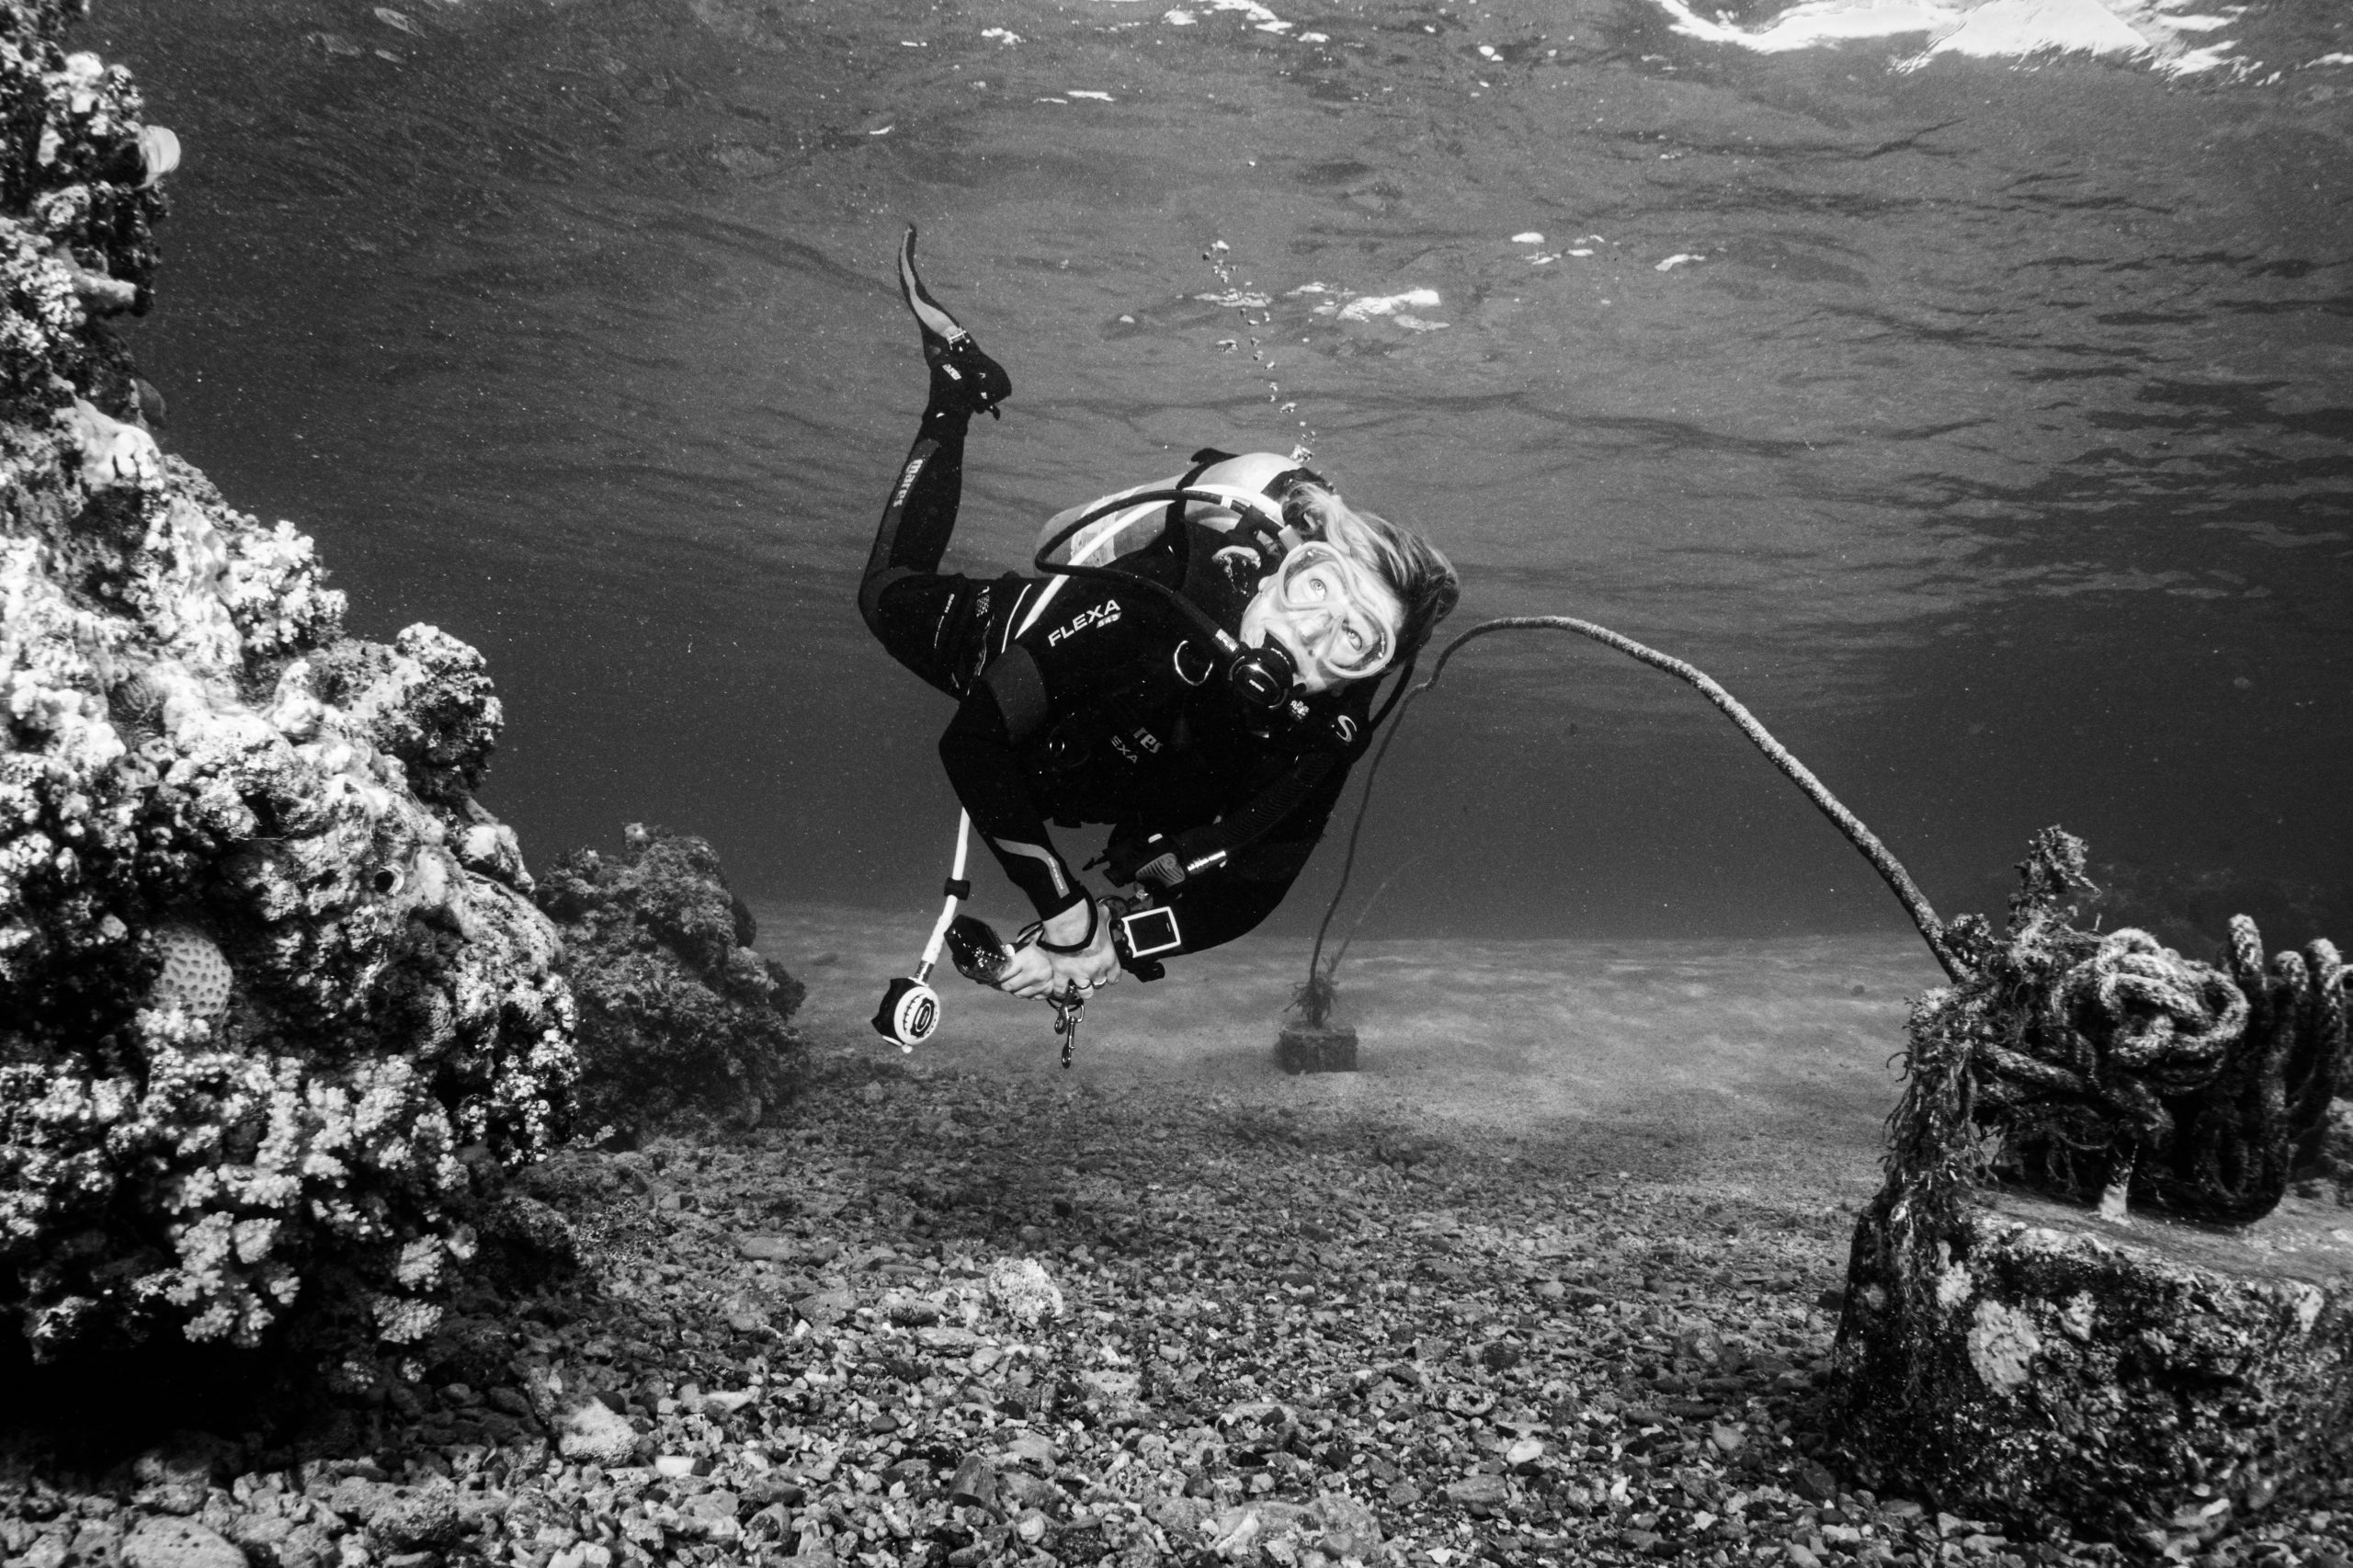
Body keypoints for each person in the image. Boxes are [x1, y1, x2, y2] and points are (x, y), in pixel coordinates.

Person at [858, 229, 1458, 1004]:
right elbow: (975, 744)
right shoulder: (1168, 604)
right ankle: (955, 388)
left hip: (1092, 781)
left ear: (1371, 672)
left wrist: (1114, 940)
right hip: (1041, 650)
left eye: (1355, 640)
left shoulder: (1321, 736)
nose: (1312, 632)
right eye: (1318, 587)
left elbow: (1249, 896)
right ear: (1284, 564)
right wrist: (1068, 916)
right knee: (884, 595)